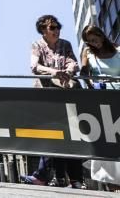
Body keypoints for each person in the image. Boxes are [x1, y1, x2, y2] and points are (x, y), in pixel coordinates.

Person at [23, 14, 83, 187]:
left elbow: (73, 62)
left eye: (58, 27)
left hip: (67, 94)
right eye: (52, 27)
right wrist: (54, 71)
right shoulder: (37, 45)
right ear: (43, 29)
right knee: (51, 134)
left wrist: (69, 70)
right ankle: (50, 176)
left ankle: (75, 178)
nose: (56, 30)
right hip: (46, 96)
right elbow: (34, 66)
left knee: (71, 135)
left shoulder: (65, 44)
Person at [81, 24, 119, 188]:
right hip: (102, 100)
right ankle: (113, 185)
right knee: (108, 140)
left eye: (94, 39)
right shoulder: (88, 52)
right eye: (89, 41)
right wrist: (91, 85)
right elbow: (83, 73)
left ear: (101, 36)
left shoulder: (118, 51)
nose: (92, 43)